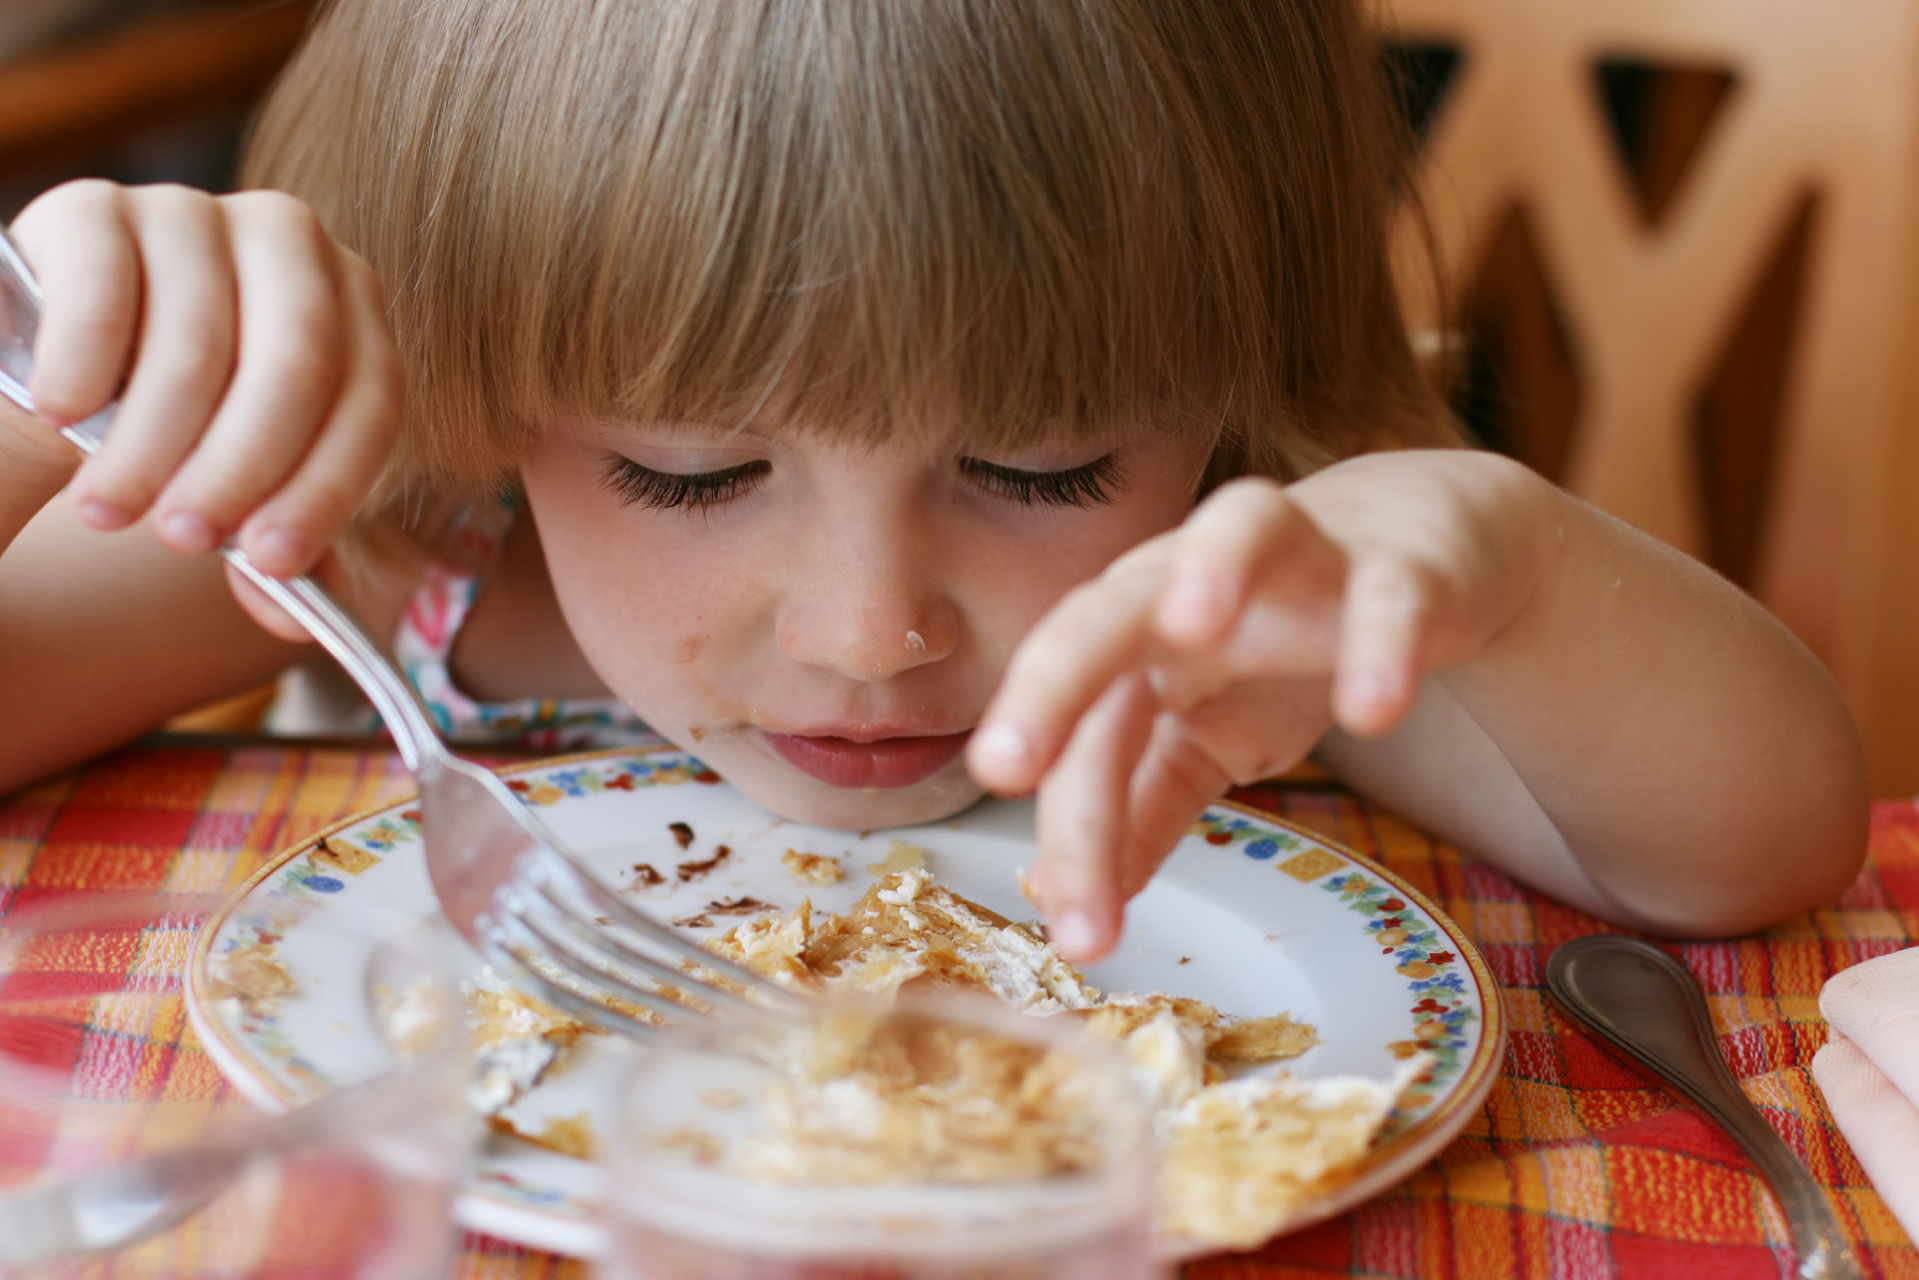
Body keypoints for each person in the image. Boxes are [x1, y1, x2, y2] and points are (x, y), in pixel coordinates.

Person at [0, 0, 1866, 964]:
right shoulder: (395, 541)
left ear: (1226, 379)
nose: (868, 631)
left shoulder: (1249, 606)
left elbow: (1754, 857)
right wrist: (53, 377)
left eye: (1041, 469)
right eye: (685, 469)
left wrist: (1518, 570)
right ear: (474, 372)